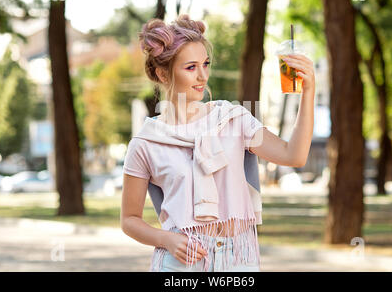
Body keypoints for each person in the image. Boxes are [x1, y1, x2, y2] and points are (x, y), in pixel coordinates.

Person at [121, 14, 315, 272]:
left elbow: (294, 156)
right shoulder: (145, 143)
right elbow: (129, 220)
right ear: (162, 74)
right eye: (190, 67)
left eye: (206, 64)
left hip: (238, 260)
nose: (202, 76)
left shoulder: (233, 120)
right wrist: (165, 239)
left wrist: (308, 92)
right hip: (182, 264)